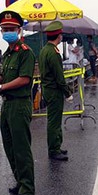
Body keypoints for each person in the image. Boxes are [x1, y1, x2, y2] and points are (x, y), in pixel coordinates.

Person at [0, 10, 35, 195]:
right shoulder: (7, 54)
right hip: (7, 104)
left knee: (21, 148)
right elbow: (8, 79)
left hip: (19, 105)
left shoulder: (25, 53)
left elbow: (24, 79)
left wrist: (0, 87)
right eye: (4, 29)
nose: (7, 32)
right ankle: (20, 181)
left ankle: (28, 189)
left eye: (10, 29)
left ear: (19, 30)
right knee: (9, 146)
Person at [38, 21, 73, 162]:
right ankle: (53, 150)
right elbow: (59, 77)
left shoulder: (44, 50)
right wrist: (68, 92)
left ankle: (56, 146)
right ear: (58, 36)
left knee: (55, 120)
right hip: (54, 91)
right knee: (54, 121)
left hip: (48, 89)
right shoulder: (53, 53)